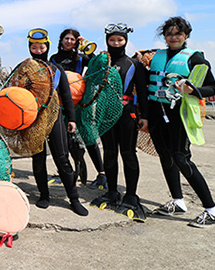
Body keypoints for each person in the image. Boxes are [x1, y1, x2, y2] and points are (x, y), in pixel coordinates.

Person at [147, 16, 215, 227]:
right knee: (165, 156)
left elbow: (212, 88)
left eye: (178, 33)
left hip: (179, 115)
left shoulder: (194, 59)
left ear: (186, 35)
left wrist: (193, 89)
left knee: (181, 158)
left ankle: (212, 210)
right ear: (164, 36)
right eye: (169, 33)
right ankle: (178, 202)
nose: (173, 37)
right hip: (156, 113)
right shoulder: (155, 56)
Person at [89, 24, 149, 221]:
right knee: (110, 153)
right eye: (112, 40)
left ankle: (131, 195)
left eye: (119, 40)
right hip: (106, 113)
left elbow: (142, 90)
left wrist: (144, 116)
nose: (116, 43)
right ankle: (112, 192)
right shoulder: (102, 63)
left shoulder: (134, 64)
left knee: (128, 154)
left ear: (125, 41)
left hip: (126, 113)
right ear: (107, 41)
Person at [27, 28, 89, 216]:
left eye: (41, 46)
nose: (38, 50)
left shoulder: (57, 69)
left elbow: (66, 96)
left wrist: (71, 119)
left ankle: (74, 198)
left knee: (62, 157)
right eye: (34, 47)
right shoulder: (24, 68)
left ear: (47, 47)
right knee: (38, 158)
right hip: (33, 119)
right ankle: (43, 195)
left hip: (55, 117)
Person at [49, 28, 106, 189]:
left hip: (81, 104)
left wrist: (86, 45)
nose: (69, 41)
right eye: (66, 38)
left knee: (89, 137)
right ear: (61, 40)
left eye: (72, 39)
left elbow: (97, 64)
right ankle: (68, 172)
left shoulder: (82, 58)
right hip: (62, 103)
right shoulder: (54, 58)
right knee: (66, 141)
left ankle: (102, 174)